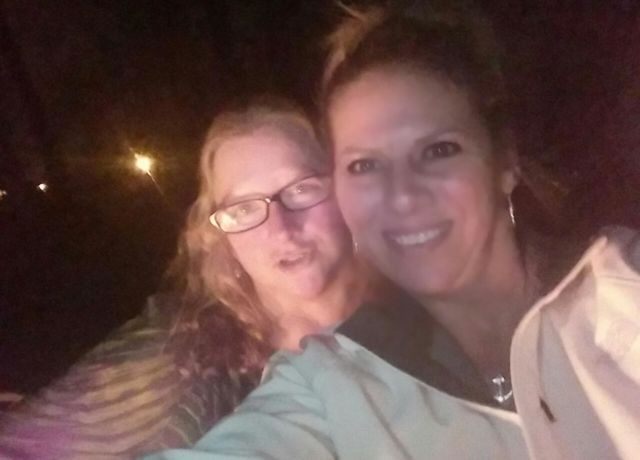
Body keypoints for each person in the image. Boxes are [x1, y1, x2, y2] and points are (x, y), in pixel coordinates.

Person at [147, 4, 640, 460]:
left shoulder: (620, 284)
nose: (401, 196)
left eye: (438, 150)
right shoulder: (325, 381)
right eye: (365, 165)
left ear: (504, 161)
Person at [0, 98, 370, 458]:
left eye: (301, 188)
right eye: (243, 208)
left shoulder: (401, 305)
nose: (281, 228)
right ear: (222, 236)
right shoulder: (185, 352)